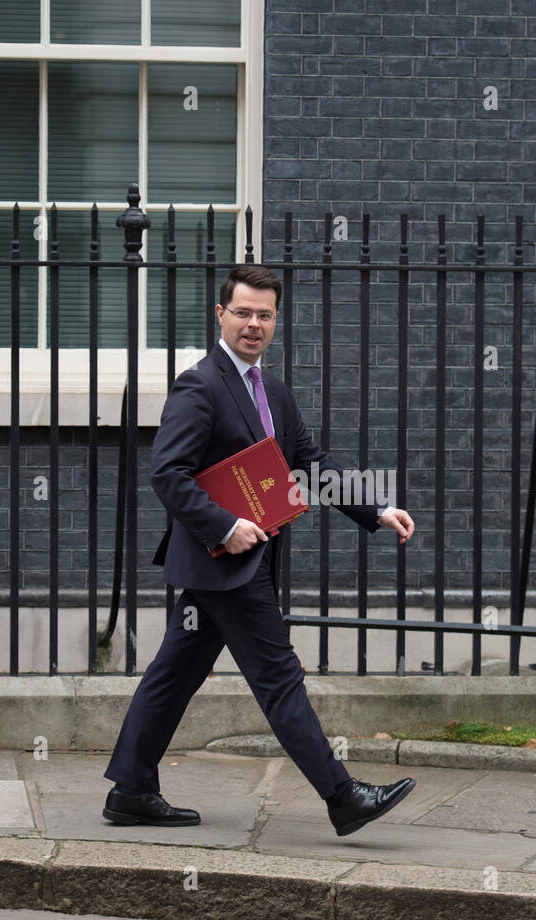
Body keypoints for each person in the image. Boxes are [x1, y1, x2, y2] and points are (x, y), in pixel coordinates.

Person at [102, 264, 417, 838]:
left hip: (237, 565)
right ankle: (343, 796)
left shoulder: (272, 391)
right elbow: (168, 475)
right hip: (225, 563)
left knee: (172, 675)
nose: (254, 324)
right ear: (220, 314)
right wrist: (224, 526)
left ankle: (131, 790)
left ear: (276, 320)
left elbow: (310, 465)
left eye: (264, 314)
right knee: (279, 676)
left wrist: (374, 510)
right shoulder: (199, 384)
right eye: (243, 312)